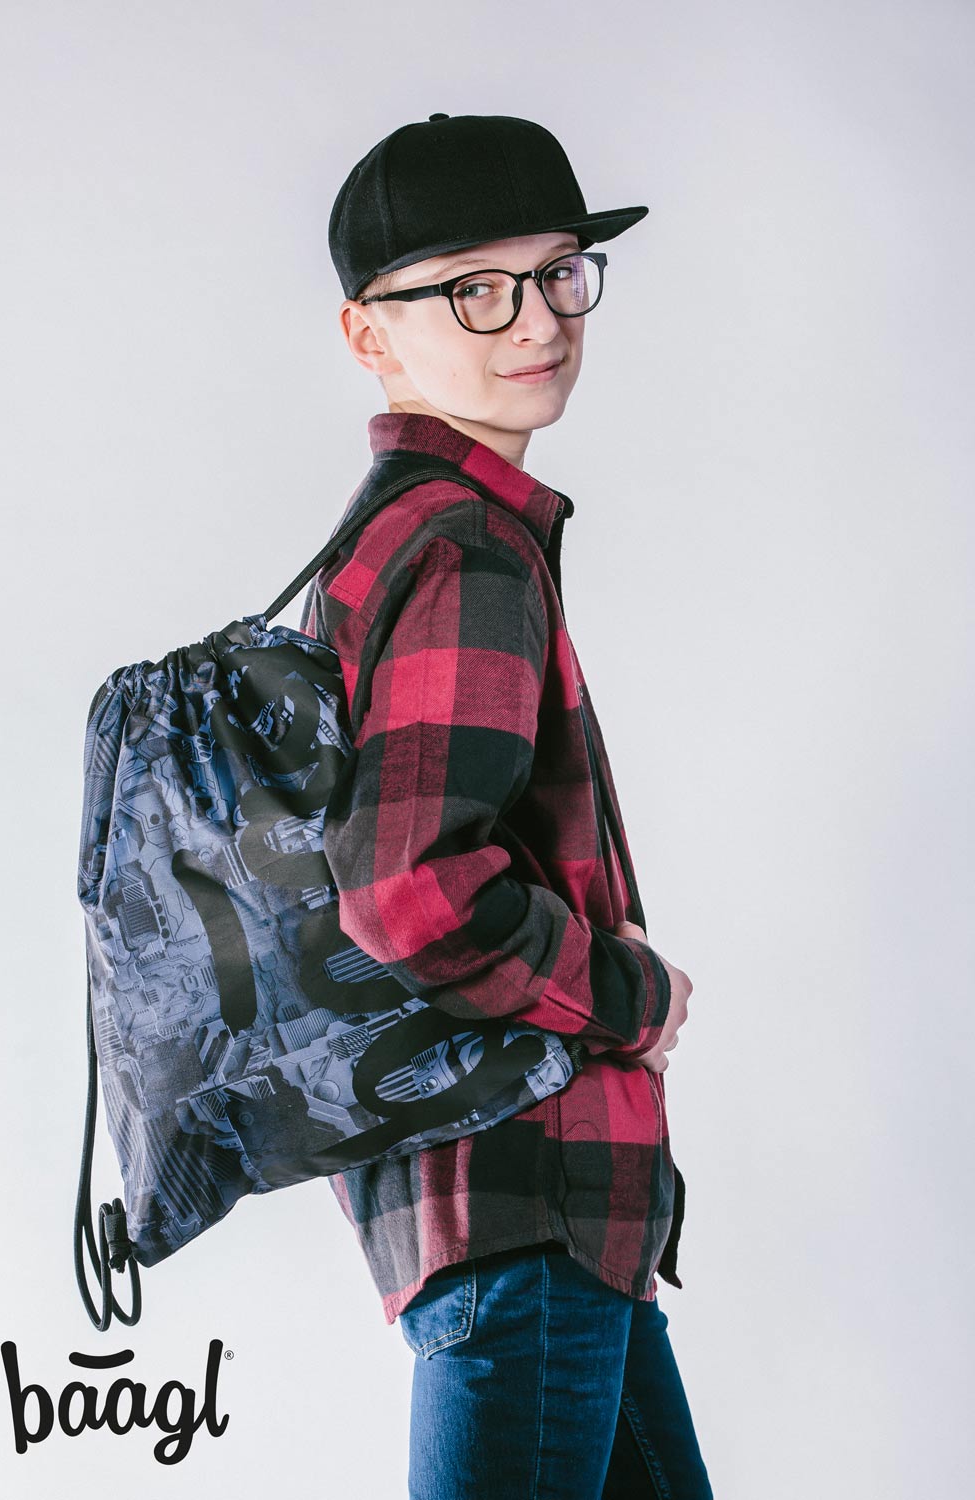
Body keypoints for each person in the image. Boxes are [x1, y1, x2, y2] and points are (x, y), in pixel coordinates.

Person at [300, 111, 713, 1500]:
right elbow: (410, 889)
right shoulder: (466, 545)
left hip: (538, 1221)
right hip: (525, 1206)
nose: (536, 321)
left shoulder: (399, 534)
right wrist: (633, 996)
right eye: (474, 289)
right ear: (369, 335)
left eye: (558, 274)